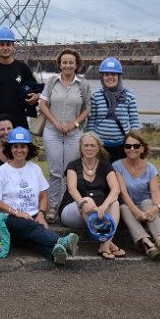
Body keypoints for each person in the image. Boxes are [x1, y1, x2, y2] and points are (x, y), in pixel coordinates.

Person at [0, 127, 79, 265]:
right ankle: (60, 241)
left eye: (23, 146)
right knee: (33, 228)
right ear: (10, 149)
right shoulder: (2, 172)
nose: (19, 150)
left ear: (28, 148)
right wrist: (17, 212)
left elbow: (43, 195)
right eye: (15, 146)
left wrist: (41, 213)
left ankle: (55, 255)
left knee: (34, 235)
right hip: (10, 218)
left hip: (33, 216)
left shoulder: (35, 169)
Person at [38, 48, 91, 222]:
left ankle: (67, 205)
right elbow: (43, 104)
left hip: (74, 134)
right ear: (60, 64)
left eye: (71, 62)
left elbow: (87, 109)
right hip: (52, 132)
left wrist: (73, 124)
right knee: (54, 171)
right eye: (64, 62)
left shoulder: (83, 84)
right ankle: (53, 207)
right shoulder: (52, 81)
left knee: (70, 172)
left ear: (77, 65)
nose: (67, 65)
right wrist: (55, 122)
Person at [59, 132, 124, 259]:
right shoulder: (73, 165)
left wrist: (104, 206)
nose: (89, 148)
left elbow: (115, 189)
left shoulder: (105, 165)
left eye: (93, 146)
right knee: (87, 199)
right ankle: (109, 243)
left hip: (99, 214)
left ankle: (105, 245)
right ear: (81, 148)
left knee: (115, 203)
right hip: (73, 212)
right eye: (86, 145)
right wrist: (83, 203)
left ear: (99, 147)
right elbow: (72, 190)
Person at [113, 131, 160, 260]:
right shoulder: (117, 166)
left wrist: (156, 207)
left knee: (147, 202)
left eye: (136, 146)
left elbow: (156, 192)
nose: (131, 149)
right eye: (128, 146)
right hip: (130, 211)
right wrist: (136, 211)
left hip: (150, 209)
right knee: (123, 207)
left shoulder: (150, 168)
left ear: (142, 148)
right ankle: (146, 243)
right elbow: (123, 192)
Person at [0, 26, 39, 131]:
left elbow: (35, 91)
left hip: (20, 122)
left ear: (13, 46)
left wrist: (35, 96)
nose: (5, 47)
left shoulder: (23, 68)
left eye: (8, 44)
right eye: (2, 44)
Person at [87, 57, 140, 162]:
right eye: (106, 74)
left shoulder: (129, 96)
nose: (110, 77)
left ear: (119, 76)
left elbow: (134, 121)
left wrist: (133, 141)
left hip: (122, 146)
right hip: (100, 146)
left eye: (113, 74)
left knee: (119, 175)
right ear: (102, 77)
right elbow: (91, 122)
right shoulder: (96, 96)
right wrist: (93, 142)